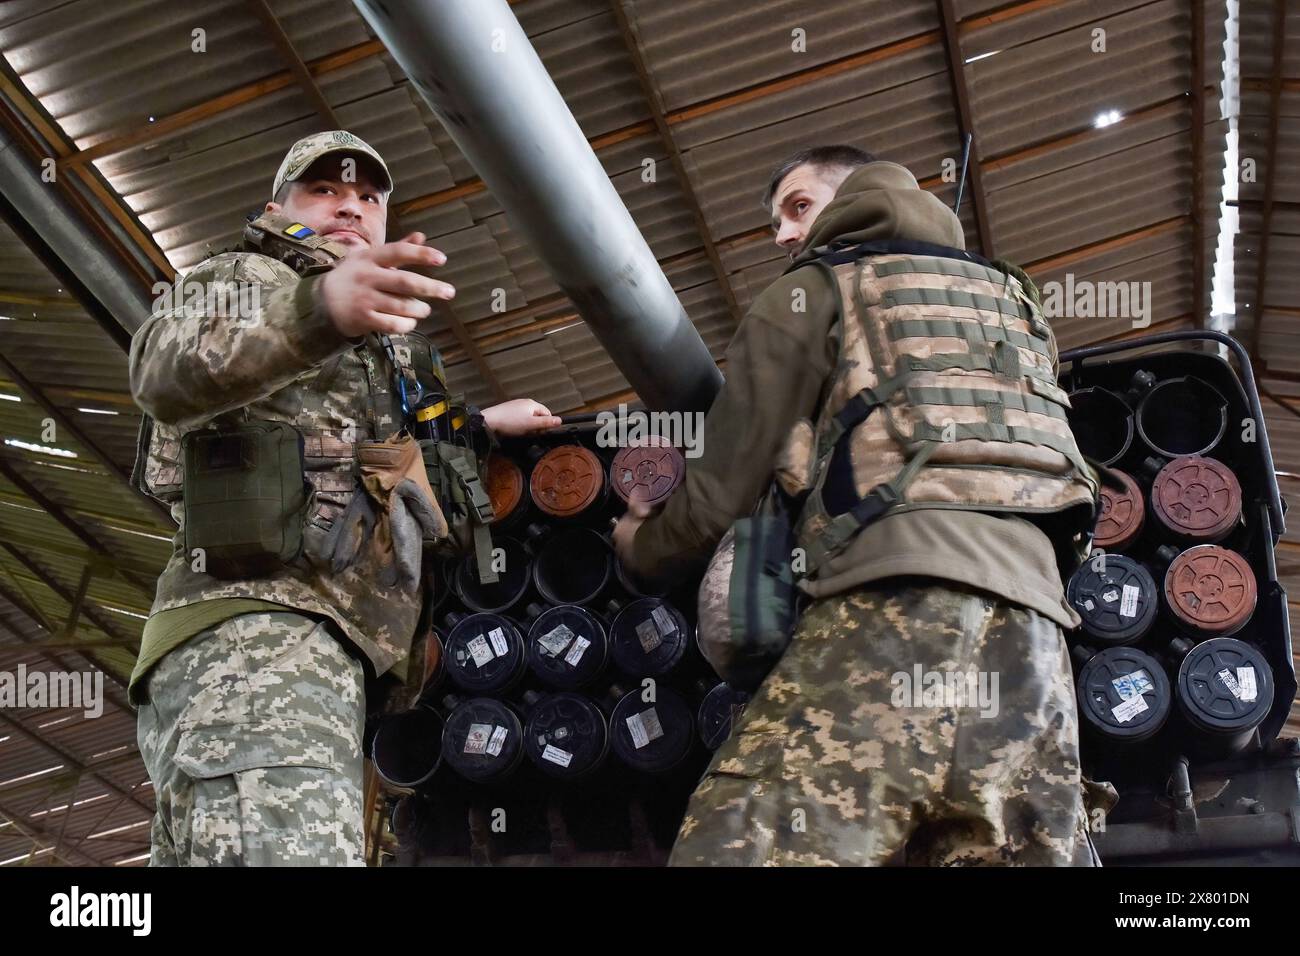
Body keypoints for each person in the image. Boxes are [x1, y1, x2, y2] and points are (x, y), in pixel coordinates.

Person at [614, 145, 1103, 866]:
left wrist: (639, 548)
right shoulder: (1015, 302)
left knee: (738, 842)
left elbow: (717, 492)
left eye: (799, 207)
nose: (784, 234)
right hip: (1035, 650)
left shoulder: (814, 289)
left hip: (890, 613)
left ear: (852, 198)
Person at [129, 130, 560, 866]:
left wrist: (480, 427)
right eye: (324, 191)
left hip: (322, 657)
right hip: (258, 645)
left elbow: (372, 466)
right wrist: (318, 306)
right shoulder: (245, 276)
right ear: (278, 207)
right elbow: (162, 368)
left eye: (367, 197)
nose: (349, 207)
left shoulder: (384, 347)